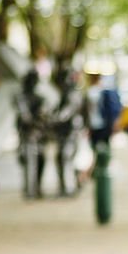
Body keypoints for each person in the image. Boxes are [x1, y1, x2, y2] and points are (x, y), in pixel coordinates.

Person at [14, 69, 50, 199]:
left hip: (38, 134)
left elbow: (43, 114)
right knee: (29, 161)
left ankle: (36, 188)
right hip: (27, 134)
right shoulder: (21, 98)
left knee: (40, 160)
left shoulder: (40, 98)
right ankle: (30, 190)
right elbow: (25, 117)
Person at [52, 67, 84, 196]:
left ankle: (69, 187)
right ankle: (66, 186)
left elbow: (65, 114)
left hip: (71, 132)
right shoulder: (66, 95)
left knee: (66, 159)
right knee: (62, 159)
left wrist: (54, 118)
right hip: (65, 132)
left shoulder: (73, 95)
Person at [83, 72, 122, 174]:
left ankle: (99, 169)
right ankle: (98, 169)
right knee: (99, 148)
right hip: (98, 124)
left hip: (99, 124)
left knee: (99, 149)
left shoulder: (100, 92)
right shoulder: (98, 92)